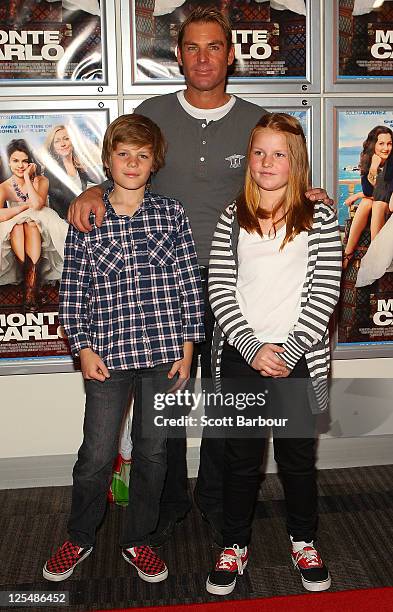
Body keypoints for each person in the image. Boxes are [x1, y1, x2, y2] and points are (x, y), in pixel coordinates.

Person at [66, 7, 332, 545]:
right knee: (167, 407)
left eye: (215, 47)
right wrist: (92, 191)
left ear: (231, 54)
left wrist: (313, 194)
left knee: (227, 408)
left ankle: (217, 504)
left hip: (236, 286)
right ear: (179, 54)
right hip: (166, 285)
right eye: (192, 47)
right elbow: (123, 164)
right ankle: (165, 506)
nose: (203, 57)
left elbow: (280, 171)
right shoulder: (154, 110)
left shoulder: (254, 119)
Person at [42, 114, 204, 583]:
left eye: (143, 155)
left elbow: (187, 281)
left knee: (154, 454)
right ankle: (80, 536)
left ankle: (139, 539)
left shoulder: (170, 213)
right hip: (107, 359)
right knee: (96, 453)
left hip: (164, 356)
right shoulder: (85, 216)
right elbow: (73, 288)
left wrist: (189, 341)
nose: (132, 163)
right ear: (108, 160)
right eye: (123, 153)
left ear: (155, 163)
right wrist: (83, 346)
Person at [206, 113, 342, 595]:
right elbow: (220, 288)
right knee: (240, 460)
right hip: (245, 357)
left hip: (298, 358)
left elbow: (327, 289)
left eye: (279, 153)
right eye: (259, 152)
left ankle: (304, 540)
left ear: (295, 161)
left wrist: (289, 349)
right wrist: (253, 347)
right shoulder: (231, 215)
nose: (267, 162)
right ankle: (234, 544)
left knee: (297, 460)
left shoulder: (321, 216)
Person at [0, 139, 67, 310]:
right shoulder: (4, 187)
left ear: (31, 163)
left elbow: (37, 205)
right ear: (9, 161)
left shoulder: (41, 180)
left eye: (25, 161)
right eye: (15, 160)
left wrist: (28, 180)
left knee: (30, 224)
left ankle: (29, 290)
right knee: (18, 226)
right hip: (16, 221)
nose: (20, 165)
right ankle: (31, 289)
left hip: (41, 220)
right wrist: (23, 207)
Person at [342, 126, 393, 269]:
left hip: (388, 203)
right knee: (365, 203)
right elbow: (369, 191)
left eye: (389, 143)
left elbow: (388, 193)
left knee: (376, 204)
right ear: (373, 145)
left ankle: (375, 255)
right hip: (381, 199)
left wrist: (359, 195)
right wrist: (373, 168)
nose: (386, 148)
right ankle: (348, 253)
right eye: (381, 143)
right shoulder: (368, 160)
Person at [43, 124, 101, 220]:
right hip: (64, 218)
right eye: (57, 141)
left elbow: (100, 182)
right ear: (53, 147)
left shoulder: (80, 167)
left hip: (83, 215)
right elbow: (59, 202)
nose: (63, 144)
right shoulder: (51, 170)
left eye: (66, 139)